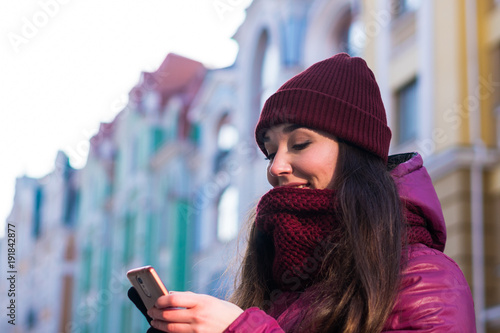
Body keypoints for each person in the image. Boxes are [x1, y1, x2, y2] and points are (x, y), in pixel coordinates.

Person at [128, 53, 476, 332]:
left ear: (355, 153)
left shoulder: (425, 279)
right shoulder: (277, 280)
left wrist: (239, 329)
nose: (275, 167)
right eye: (269, 151)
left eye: (300, 143)